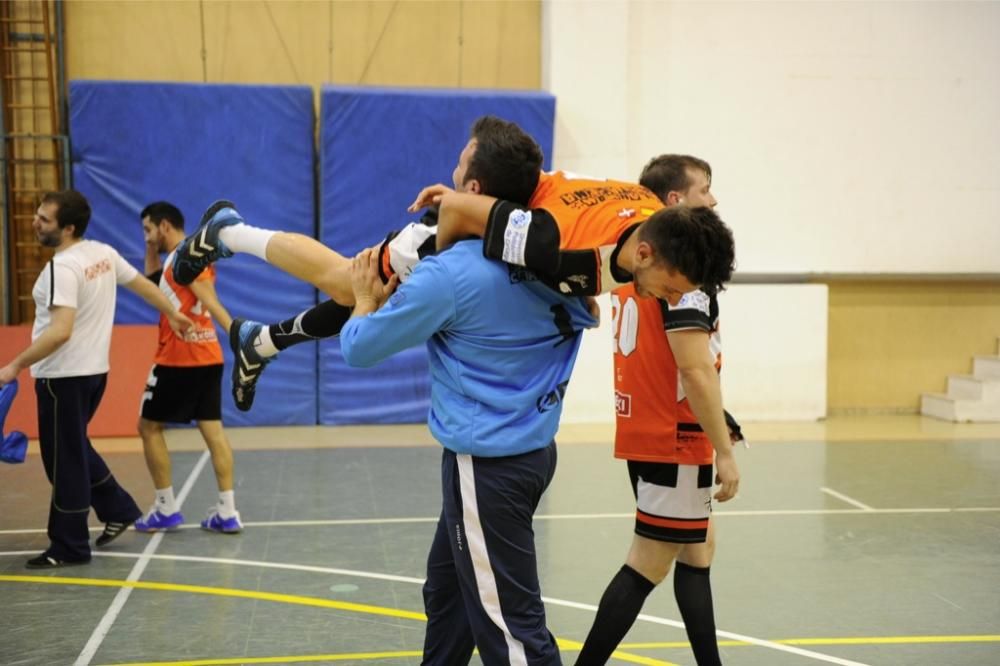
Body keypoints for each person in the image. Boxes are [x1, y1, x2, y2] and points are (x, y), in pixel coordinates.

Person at [339, 239, 598, 666]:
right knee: (449, 591)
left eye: (460, 171)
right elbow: (591, 310)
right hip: (532, 449)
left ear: (474, 186)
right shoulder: (553, 255)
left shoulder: (451, 275)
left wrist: (366, 299)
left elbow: (359, 347)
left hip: (487, 465)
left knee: (511, 630)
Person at [576, 155, 735, 666]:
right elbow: (693, 370)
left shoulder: (635, 257)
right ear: (675, 201)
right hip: (677, 437)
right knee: (647, 565)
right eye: (703, 189)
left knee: (697, 550)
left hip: (648, 429)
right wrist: (725, 453)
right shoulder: (683, 272)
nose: (712, 199)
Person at [0, 190, 192, 569]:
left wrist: (15, 365)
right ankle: (117, 508)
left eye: (44, 219)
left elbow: (60, 332)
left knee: (64, 462)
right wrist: (173, 312)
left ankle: (69, 546)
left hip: (63, 377)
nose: (35, 223)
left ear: (68, 228)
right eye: (37, 216)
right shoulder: (102, 253)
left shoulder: (64, 268)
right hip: (93, 375)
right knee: (74, 449)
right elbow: (143, 285)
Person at [133, 201, 243, 534]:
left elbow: (207, 296)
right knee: (213, 432)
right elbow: (154, 284)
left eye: (149, 230)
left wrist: (236, 334)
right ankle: (227, 511)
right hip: (207, 356)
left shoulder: (186, 255)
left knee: (148, 427)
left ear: (165, 226)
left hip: (179, 356)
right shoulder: (176, 259)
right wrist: (150, 247)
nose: (147, 237)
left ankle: (166, 507)